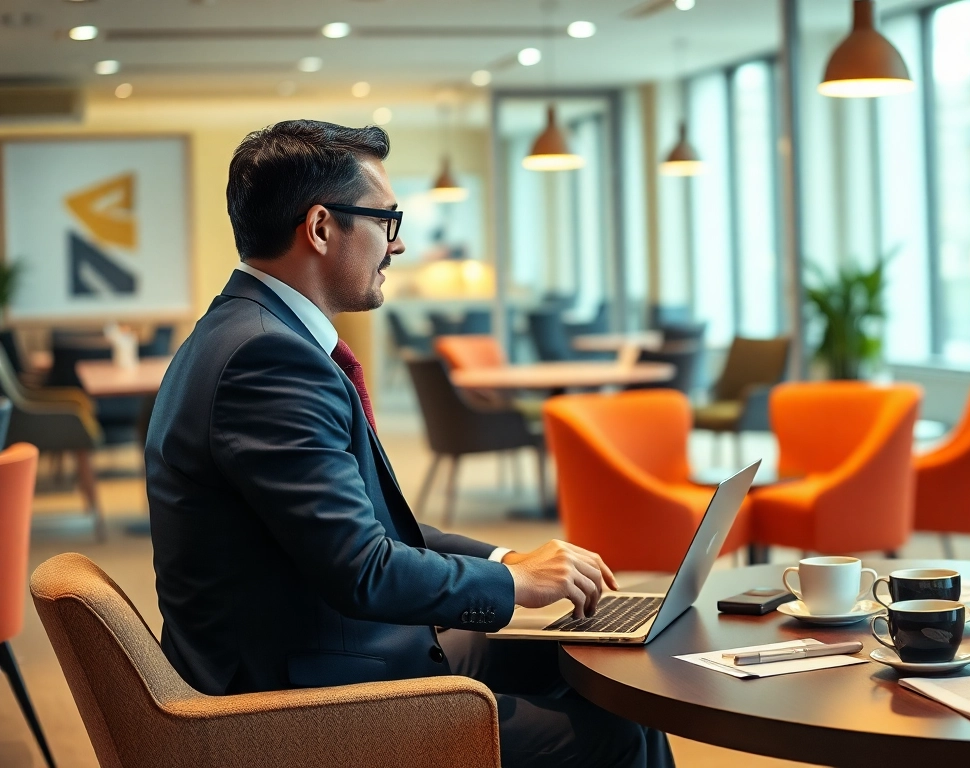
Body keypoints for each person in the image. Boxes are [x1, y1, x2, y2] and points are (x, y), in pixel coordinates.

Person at [144, 119, 673, 768]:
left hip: (323, 651)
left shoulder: (248, 333)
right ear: (320, 228)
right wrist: (514, 584)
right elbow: (363, 569)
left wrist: (510, 559)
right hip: (298, 702)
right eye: (387, 220)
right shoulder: (268, 360)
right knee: (614, 736)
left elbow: (364, 528)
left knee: (600, 668)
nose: (397, 245)